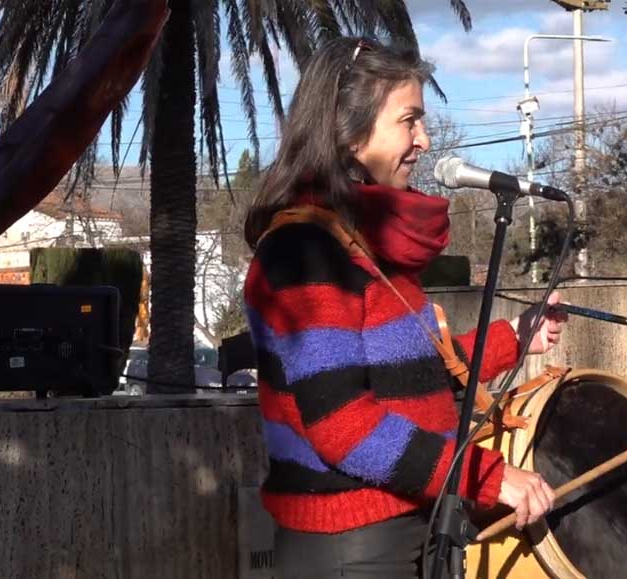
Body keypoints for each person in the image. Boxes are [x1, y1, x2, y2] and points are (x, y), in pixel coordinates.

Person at [242, 36, 567, 578]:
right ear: (348, 134)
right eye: (409, 120)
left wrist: (517, 336)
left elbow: (413, 373)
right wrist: (485, 477)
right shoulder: (306, 251)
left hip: (399, 527)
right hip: (351, 546)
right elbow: (344, 425)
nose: (425, 138)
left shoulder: (357, 243)